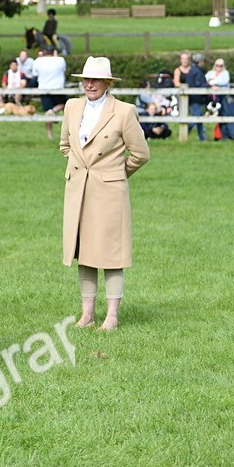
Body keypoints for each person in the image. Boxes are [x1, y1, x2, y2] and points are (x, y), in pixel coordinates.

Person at [60, 57, 150, 331]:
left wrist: (115, 172)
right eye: (86, 79)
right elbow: (65, 145)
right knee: (84, 253)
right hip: (78, 191)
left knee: (111, 254)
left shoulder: (123, 111)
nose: (89, 84)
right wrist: (79, 167)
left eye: (95, 80)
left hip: (109, 192)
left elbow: (141, 154)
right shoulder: (72, 107)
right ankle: (87, 315)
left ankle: (112, 315)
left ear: (107, 83)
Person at [34, 44, 68, 140]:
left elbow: (35, 74)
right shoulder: (60, 60)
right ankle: (53, 111)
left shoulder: (38, 61)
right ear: (54, 52)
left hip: (44, 89)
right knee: (64, 104)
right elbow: (63, 70)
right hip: (58, 88)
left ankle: (50, 135)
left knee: (47, 113)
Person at [186, 53, 209, 142]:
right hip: (196, 98)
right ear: (200, 61)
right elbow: (199, 85)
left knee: (199, 118)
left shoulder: (193, 70)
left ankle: (202, 138)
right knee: (196, 117)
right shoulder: (197, 72)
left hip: (194, 98)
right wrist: (208, 86)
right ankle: (185, 130)